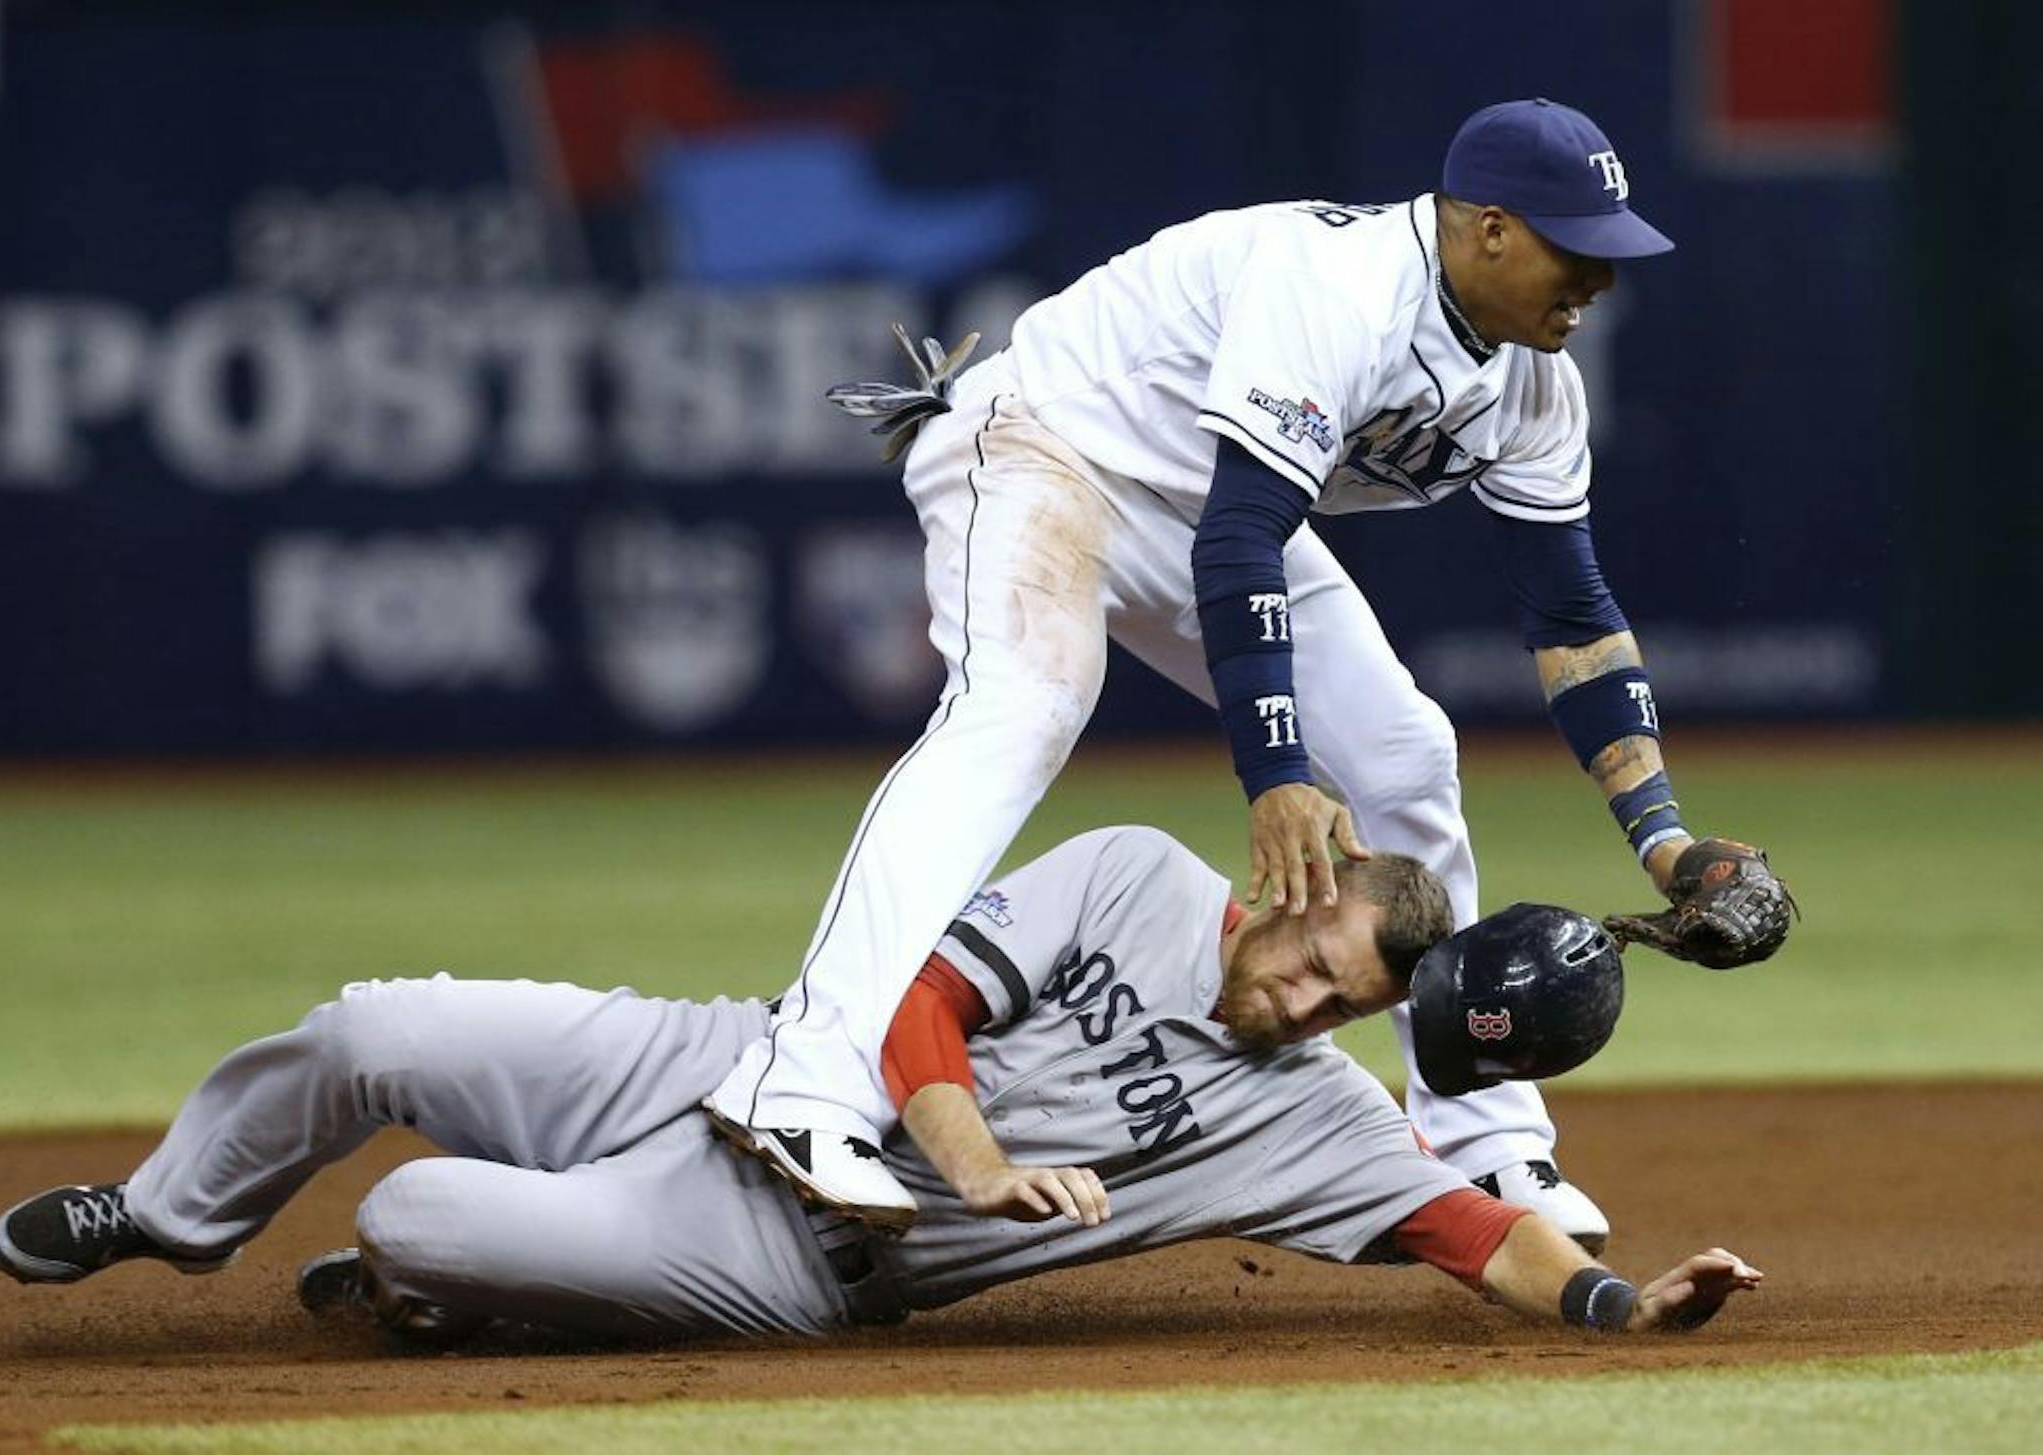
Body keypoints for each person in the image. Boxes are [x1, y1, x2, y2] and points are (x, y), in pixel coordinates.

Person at [702, 98, 1776, 1249]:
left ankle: (1483, 1140)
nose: (1599, 280)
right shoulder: (1342, 290)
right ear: (1492, 229)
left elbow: (1570, 615)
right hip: (1045, 441)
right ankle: (802, 1078)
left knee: (1404, 754)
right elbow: (1242, 542)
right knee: (1023, 709)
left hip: (1195, 501)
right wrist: (1276, 775)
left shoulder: (1533, 387)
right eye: (1578, 248)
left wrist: (1661, 837)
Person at [0, 826, 1760, 1344]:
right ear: (1287, 894)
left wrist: (1614, 1301)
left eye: (1343, 1007)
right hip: (734, 1059)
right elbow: (920, 989)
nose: (1304, 1008)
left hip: (788, 1253)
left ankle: (457, 1286)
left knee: (410, 1212)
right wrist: (972, 1144)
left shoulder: (1315, 1118)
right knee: (382, 1022)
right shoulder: (1140, 876)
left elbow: (1474, 1230)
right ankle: (167, 1213)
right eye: (1308, 966)